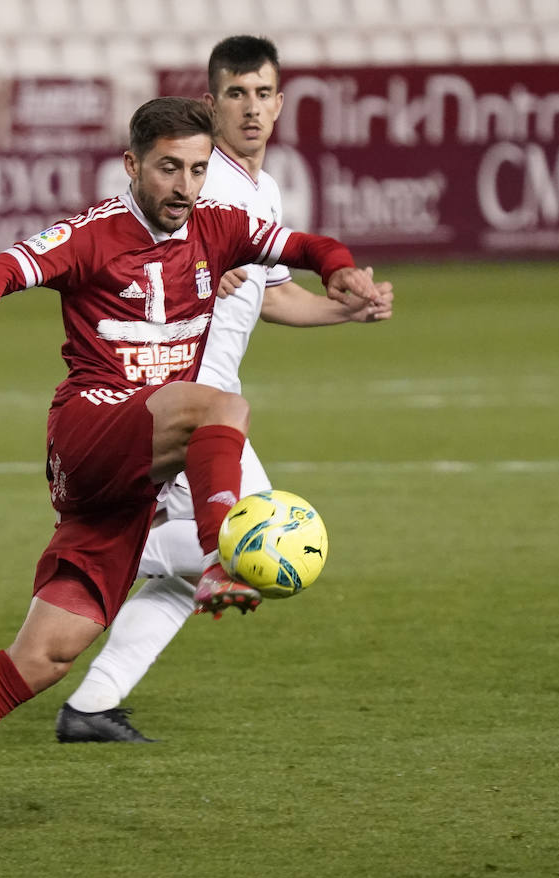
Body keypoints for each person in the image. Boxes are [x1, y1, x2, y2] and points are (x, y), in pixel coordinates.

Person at [0, 95, 389, 843]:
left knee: (46, 656)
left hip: (131, 481)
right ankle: (219, 553)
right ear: (132, 164)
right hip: (90, 428)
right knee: (222, 406)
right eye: (168, 168)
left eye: (198, 169)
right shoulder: (93, 234)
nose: (185, 186)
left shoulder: (219, 227)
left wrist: (343, 272)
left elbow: (309, 245)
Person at [55, 35, 394, 744]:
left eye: (263, 93)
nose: (251, 108)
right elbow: (154, 259)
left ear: (281, 103)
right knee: (264, 548)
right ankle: (92, 551)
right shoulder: (204, 185)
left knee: (209, 569)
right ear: (212, 105)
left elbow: (274, 296)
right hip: (181, 397)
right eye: (236, 94)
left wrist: (348, 308)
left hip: (213, 397)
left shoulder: (261, 190)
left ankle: (91, 705)